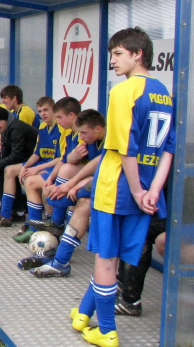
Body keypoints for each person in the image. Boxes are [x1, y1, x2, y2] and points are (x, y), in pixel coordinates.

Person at [70, 27, 174, 347]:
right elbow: (168, 148)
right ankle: (84, 314)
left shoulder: (124, 90)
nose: (112, 61)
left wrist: (137, 189)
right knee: (114, 257)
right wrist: (152, 189)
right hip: (146, 188)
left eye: (117, 54)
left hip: (117, 186)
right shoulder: (163, 92)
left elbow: (124, 147)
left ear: (137, 54)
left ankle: (107, 330)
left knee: (105, 259)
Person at [18, 109, 106, 277]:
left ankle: (59, 249)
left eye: (84, 133)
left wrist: (72, 186)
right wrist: (65, 183)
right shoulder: (87, 140)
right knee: (69, 195)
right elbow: (72, 161)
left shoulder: (112, 140)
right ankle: (60, 255)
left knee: (69, 201)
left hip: (116, 192)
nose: (81, 137)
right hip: (96, 185)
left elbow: (102, 166)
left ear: (98, 128)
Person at [0, 97, 66, 240]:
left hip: (52, 167)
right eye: (40, 111)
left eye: (46, 110)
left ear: (54, 110)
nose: (43, 114)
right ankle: (6, 214)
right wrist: (27, 166)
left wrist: (36, 168)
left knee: (32, 180)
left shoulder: (61, 129)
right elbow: (37, 153)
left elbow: (62, 159)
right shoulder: (42, 127)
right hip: (41, 164)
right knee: (9, 170)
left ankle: (36, 224)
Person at [0, 107, 38, 228]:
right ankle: (12, 209)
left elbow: (17, 155)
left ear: (6, 119)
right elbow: (5, 153)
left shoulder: (17, 128)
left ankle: (9, 212)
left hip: (34, 161)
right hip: (25, 159)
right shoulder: (6, 129)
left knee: (7, 169)